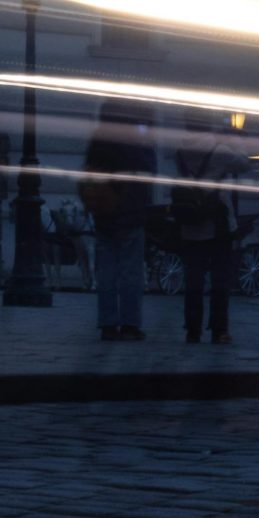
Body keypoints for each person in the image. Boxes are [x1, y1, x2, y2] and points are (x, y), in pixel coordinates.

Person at [80, 102, 153, 342]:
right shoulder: (136, 142)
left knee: (107, 272)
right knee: (131, 272)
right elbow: (148, 175)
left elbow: (87, 176)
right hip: (131, 216)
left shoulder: (97, 142)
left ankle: (107, 324)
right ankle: (130, 324)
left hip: (104, 215)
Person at [169, 113, 241, 345]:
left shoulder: (180, 150)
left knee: (194, 280)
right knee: (220, 280)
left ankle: (192, 330)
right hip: (217, 224)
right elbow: (245, 164)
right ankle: (219, 330)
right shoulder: (220, 149)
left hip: (191, 224)